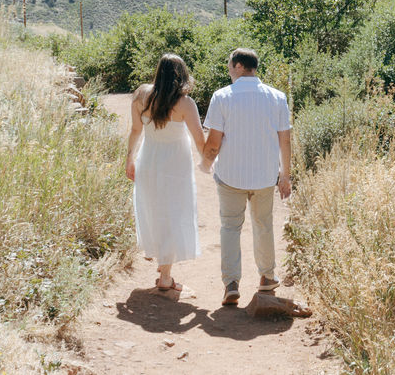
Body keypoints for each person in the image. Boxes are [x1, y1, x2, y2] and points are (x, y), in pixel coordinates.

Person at [201, 48, 292, 306]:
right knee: (263, 224)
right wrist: (285, 175)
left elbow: (214, 142)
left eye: (230, 64)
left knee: (230, 227)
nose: (228, 69)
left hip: (230, 175)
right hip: (264, 176)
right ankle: (267, 276)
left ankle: (231, 283)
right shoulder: (277, 97)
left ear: (239, 66)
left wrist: (206, 163)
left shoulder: (222, 97)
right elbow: (285, 140)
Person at [125, 53, 205, 293]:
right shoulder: (185, 103)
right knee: (173, 213)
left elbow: (135, 130)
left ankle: (163, 262)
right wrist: (212, 160)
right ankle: (166, 277)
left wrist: (129, 159)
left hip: (148, 159)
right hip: (175, 164)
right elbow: (200, 141)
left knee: (154, 210)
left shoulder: (141, 96)